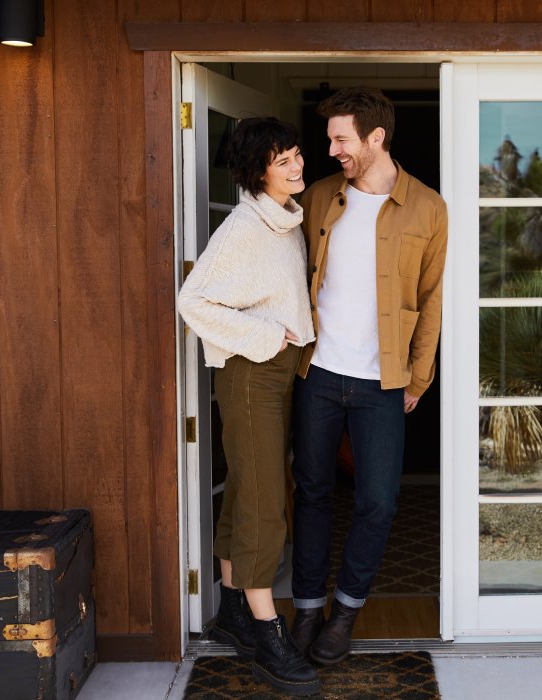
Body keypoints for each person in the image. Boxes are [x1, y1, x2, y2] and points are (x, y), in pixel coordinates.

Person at [289, 87, 448, 665]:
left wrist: (418, 378)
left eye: (341, 140)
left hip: (384, 380)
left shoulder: (428, 208)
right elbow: (287, 269)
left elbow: (431, 301)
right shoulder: (319, 197)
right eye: (331, 138)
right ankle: (307, 610)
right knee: (311, 493)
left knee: (378, 501)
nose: (331, 150)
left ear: (376, 138)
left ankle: (345, 613)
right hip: (319, 373)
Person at [177, 117, 320, 696]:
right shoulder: (244, 226)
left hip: (274, 372)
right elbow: (194, 301)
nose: (297, 166)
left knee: (246, 488)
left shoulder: (283, 218)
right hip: (251, 373)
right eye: (282, 160)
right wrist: (268, 332)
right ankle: (267, 632)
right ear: (257, 169)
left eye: (296, 155)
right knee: (265, 500)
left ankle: (234, 605)